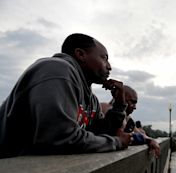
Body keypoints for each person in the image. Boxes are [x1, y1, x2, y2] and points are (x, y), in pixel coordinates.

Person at [0, 33, 132, 158]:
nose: (109, 67)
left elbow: (99, 136)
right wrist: (117, 143)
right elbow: (58, 137)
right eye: (104, 58)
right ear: (80, 54)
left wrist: (119, 104)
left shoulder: (92, 100)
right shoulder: (56, 70)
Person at [101, 85, 160, 157]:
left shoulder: (127, 118)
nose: (135, 107)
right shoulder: (105, 108)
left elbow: (140, 134)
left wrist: (150, 140)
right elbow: (120, 134)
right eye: (132, 102)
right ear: (120, 96)